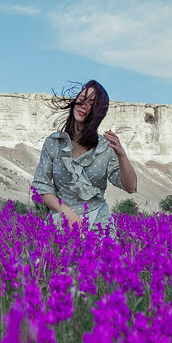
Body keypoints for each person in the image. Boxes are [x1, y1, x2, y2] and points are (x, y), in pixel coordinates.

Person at [31, 80, 137, 233]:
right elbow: (42, 186)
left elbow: (131, 186)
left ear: (98, 112)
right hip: (63, 223)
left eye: (92, 103)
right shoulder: (53, 143)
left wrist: (121, 155)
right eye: (82, 99)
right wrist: (67, 213)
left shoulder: (105, 147)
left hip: (99, 226)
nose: (84, 105)